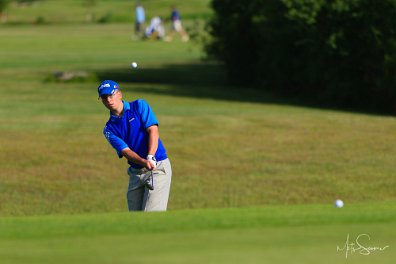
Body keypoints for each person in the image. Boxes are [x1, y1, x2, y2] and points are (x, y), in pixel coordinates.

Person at [98, 80, 172, 211]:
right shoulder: (109, 129)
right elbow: (126, 151)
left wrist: (150, 156)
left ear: (119, 94)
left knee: (151, 216)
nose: (108, 99)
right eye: (104, 97)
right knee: (135, 219)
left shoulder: (139, 106)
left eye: (111, 95)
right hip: (136, 173)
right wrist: (144, 161)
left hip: (157, 167)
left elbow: (153, 130)